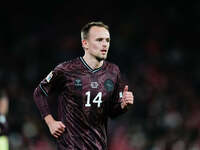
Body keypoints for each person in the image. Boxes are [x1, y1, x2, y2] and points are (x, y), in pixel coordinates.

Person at [33, 21, 134, 150]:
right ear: (85, 43)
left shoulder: (113, 72)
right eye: (99, 40)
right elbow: (39, 92)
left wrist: (123, 105)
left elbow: (112, 112)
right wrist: (50, 122)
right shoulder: (66, 69)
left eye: (107, 40)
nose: (105, 44)